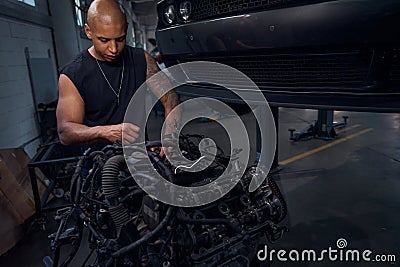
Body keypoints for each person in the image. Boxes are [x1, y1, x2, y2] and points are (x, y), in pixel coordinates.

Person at [56, 0, 179, 152]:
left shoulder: (143, 59)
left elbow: (171, 98)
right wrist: (105, 131)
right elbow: (65, 133)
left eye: (120, 39)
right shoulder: (73, 75)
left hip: (141, 155)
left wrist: (169, 138)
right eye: (104, 40)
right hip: (101, 163)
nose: (113, 49)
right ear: (88, 32)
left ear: (126, 28)